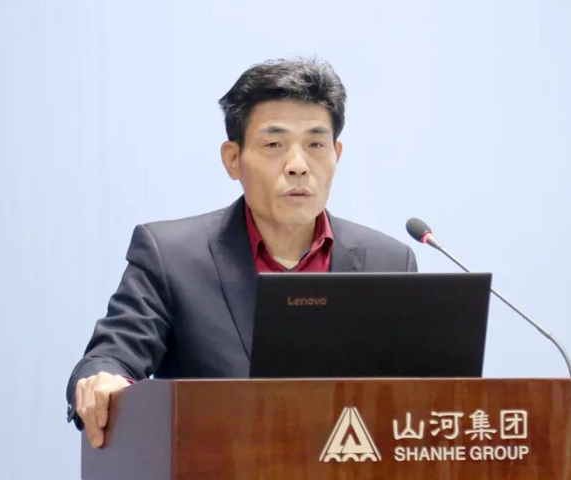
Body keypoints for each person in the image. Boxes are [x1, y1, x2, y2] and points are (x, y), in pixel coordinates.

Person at [66, 58, 418, 449]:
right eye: (274, 144)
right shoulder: (172, 257)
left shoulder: (389, 263)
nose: (298, 166)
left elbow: (420, 402)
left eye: (316, 145)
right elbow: (113, 355)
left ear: (336, 154)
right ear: (233, 159)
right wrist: (103, 378)